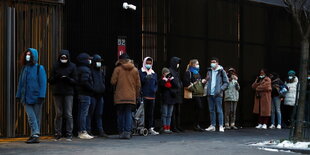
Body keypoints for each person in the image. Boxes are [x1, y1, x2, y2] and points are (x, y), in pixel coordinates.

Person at [16, 48, 47, 143]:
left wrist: (42, 96)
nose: (27, 56)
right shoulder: (24, 68)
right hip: (25, 97)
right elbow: (20, 83)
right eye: (26, 54)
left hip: (37, 97)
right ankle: (35, 133)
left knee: (36, 117)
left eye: (29, 54)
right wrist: (18, 95)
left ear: (34, 56)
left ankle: (34, 135)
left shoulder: (39, 68)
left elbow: (43, 83)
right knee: (31, 116)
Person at [49, 50, 77, 141]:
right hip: (57, 91)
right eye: (62, 57)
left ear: (68, 58)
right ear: (59, 57)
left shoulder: (72, 66)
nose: (63, 59)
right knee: (58, 113)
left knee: (68, 114)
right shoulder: (55, 65)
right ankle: (58, 133)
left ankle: (69, 133)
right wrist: (56, 77)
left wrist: (68, 79)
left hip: (68, 92)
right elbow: (50, 80)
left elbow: (75, 80)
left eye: (65, 58)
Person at [111, 53, 141, 139]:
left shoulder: (118, 69)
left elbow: (113, 81)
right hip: (131, 96)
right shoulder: (135, 70)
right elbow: (138, 85)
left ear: (120, 60)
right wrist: (137, 96)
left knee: (120, 114)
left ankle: (121, 132)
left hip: (120, 96)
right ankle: (127, 132)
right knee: (128, 113)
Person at [205, 57, 228, 132]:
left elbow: (226, 82)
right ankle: (213, 125)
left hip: (218, 94)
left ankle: (221, 125)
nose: (212, 63)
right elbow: (207, 80)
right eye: (211, 62)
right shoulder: (209, 71)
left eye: (214, 62)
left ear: (217, 63)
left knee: (219, 110)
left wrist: (220, 89)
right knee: (211, 110)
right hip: (210, 93)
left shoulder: (221, 71)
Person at [183, 59, 207, 131]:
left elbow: (198, 83)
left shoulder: (197, 73)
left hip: (199, 93)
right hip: (193, 94)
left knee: (198, 109)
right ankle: (194, 125)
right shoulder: (188, 72)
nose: (198, 65)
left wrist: (202, 82)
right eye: (197, 64)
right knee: (196, 108)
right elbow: (186, 83)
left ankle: (196, 124)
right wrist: (193, 86)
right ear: (193, 65)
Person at [87, 54, 107, 137]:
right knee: (90, 114)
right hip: (93, 95)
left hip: (100, 95)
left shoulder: (100, 71)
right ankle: (88, 130)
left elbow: (103, 81)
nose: (99, 63)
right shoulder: (90, 71)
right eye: (98, 61)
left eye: (100, 61)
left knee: (99, 114)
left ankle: (100, 131)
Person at [76, 53, 94, 139]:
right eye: (88, 59)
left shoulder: (78, 68)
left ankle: (80, 131)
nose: (89, 61)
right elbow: (85, 81)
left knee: (81, 113)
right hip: (85, 94)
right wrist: (92, 88)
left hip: (80, 93)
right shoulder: (85, 70)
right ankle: (83, 131)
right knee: (84, 113)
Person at [139, 57, 159, 135]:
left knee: (150, 113)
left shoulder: (154, 73)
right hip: (144, 95)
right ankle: (142, 128)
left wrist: (155, 90)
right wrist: (145, 78)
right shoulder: (140, 72)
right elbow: (140, 83)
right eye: (147, 63)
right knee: (143, 113)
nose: (148, 65)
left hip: (152, 96)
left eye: (150, 63)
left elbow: (156, 83)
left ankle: (150, 128)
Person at [169, 57, 183, 132]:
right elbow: (171, 81)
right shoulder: (170, 71)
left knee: (178, 111)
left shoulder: (177, 71)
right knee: (173, 111)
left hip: (178, 94)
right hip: (173, 93)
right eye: (177, 63)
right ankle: (173, 126)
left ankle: (178, 125)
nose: (178, 65)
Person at [160, 68, 176, 134]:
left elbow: (176, 86)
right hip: (165, 99)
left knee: (169, 114)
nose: (168, 74)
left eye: (168, 73)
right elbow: (162, 86)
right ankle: (164, 128)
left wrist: (172, 80)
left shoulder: (171, 80)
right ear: (163, 74)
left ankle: (168, 127)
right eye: (166, 73)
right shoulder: (162, 80)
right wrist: (165, 80)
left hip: (171, 99)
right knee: (165, 114)